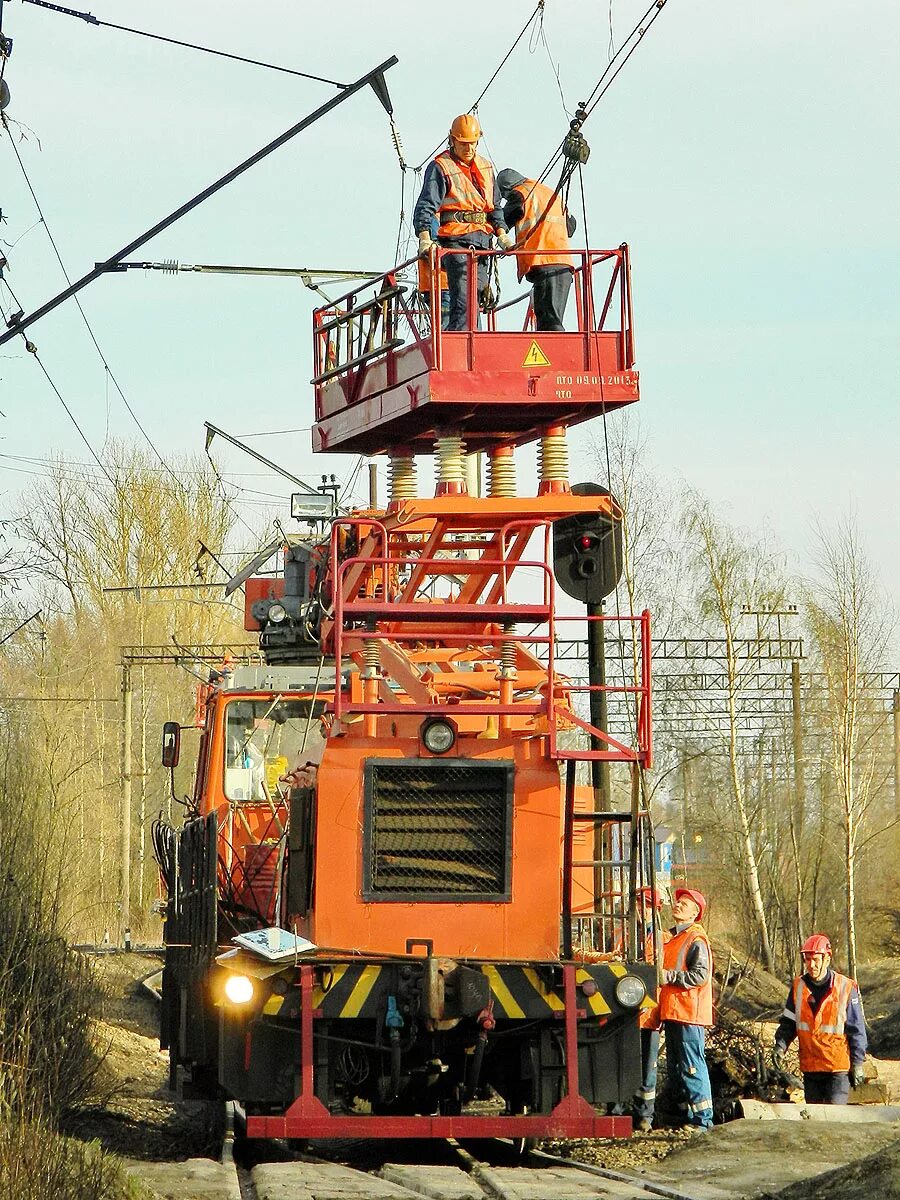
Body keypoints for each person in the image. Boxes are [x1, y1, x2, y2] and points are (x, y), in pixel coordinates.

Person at [413, 114, 512, 331]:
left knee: (476, 296)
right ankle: (458, 345)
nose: (469, 149)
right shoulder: (441, 167)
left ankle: (466, 342)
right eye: (463, 143)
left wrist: (502, 234)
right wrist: (424, 237)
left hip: (482, 243)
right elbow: (427, 203)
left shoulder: (486, 168)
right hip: (456, 242)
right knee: (463, 300)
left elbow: (494, 207)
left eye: (473, 143)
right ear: (453, 140)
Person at [772, 934, 867, 1105]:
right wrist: (780, 1046)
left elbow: (856, 1029)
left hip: (836, 1069)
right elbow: (789, 1023)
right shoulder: (798, 987)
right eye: (807, 960)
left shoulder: (845, 987)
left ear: (827, 959)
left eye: (815, 959)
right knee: (815, 1123)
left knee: (833, 1120)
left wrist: (858, 1063)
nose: (811, 965)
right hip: (811, 1069)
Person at [659, 887, 714, 1130]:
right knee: (677, 1068)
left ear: (695, 913)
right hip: (674, 1012)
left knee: (692, 1066)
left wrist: (667, 976)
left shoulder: (695, 939)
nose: (678, 905)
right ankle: (683, 1116)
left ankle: (703, 1120)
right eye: (678, 901)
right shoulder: (675, 937)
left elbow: (699, 975)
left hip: (689, 1014)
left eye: (685, 903)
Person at [497, 168, 576, 332]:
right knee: (552, 318)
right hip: (563, 266)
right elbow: (571, 226)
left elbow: (503, 219)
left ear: (506, 189)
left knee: (549, 322)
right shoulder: (548, 192)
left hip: (543, 263)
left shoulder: (520, 193)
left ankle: (554, 353)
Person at [632, 886, 669, 1131]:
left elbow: (663, 978)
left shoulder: (661, 939)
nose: (639, 909)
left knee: (647, 1067)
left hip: (649, 1013)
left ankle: (645, 1116)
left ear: (654, 910)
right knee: (627, 1063)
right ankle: (621, 1110)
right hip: (627, 1013)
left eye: (644, 905)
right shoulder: (625, 934)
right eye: (637, 903)